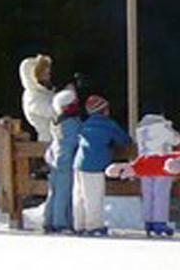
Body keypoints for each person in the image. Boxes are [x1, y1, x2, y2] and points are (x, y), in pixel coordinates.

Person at [73, 95, 131, 237]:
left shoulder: (85, 124)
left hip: (79, 163)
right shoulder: (108, 124)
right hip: (95, 165)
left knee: (79, 196)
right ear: (104, 110)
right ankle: (94, 226)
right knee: (94, 196)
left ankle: (79, 224)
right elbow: (124, 140)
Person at [128, 115, 179, 237]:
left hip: (145, 164)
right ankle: (159, 222)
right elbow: (176, 140)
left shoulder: (140, 129)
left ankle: (148, 222)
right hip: (161, 163)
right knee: (160, 194)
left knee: (148, 194)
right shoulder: (163, 127)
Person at [43, 90, 83, 234]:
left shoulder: (57, 120)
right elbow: (72, 141)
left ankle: (48, 220)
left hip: (55, 158)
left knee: (53, 190)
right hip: (66, 160)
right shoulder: (71, 122)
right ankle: (60, 222)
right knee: (63, 192)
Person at [18, 55, 55, 142]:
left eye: (48, 73)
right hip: (48, 141)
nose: (48, 77)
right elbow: (52, 112)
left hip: (60, 138)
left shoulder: (47, 92)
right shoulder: (32, 97)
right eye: (44, 74)